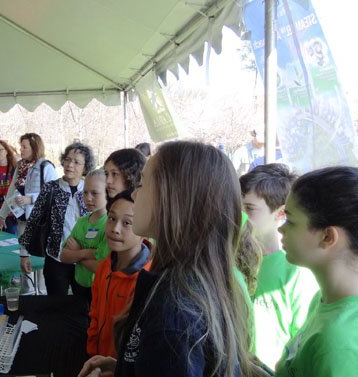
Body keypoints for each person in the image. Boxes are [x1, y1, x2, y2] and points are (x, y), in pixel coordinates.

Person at [79, 141, 252, 377]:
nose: (135, 193)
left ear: (173, 199)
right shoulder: (186, 285)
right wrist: (127, 368)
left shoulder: (174, 315)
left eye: (141, 183)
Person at [274, 166, 358, 375]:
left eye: (290, 221)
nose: (280, 228)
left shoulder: (340, 341)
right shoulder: (323, 299)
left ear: (327, 237)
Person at [240, 163, 319, 369]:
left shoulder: (297, 272)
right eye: (237, 207)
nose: (239, 215)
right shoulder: (229, 261)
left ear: (281, 214)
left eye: (249, 208)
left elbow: (301, 344)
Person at [19, 141, 95, 296]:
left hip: (85, 262)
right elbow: (33, 221)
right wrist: (24, 254)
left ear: (85, 167)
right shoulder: (51, 188)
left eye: (76, 162)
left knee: (84, 307)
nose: (70, 165)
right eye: (67, 159)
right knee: (56, 306)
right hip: (56, 260)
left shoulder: (91, 190)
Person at [86, 190, 152, 358]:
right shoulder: (104, 267)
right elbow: (94, 314)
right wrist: (92, 352)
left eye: (127, 223)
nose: (115, 229)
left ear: (144, 229)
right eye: (112, 219)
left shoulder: (147, 282)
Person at [0, 133, 57, 293]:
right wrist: (2, 213)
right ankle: (28, 292)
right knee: (24, 257)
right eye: (20, 146)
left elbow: (53, 193)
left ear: (34, 147)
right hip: (23, 220)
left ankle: (42, 293)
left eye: (25, 147)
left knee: (41, 259)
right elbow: (12, 190)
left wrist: (30, 199)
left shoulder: (46, 167)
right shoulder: (20, 166)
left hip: (41, 222)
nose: (21, 150)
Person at [59, 168, 109, 301]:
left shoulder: (109, 224)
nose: (88, 198)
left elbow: (101, 267)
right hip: (79, 285)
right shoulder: (82, 221)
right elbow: (63, 256)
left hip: (99, 288)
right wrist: (86, 253)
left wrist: (76, 253)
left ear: (108, 193)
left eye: (95, 193)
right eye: (85, 192)